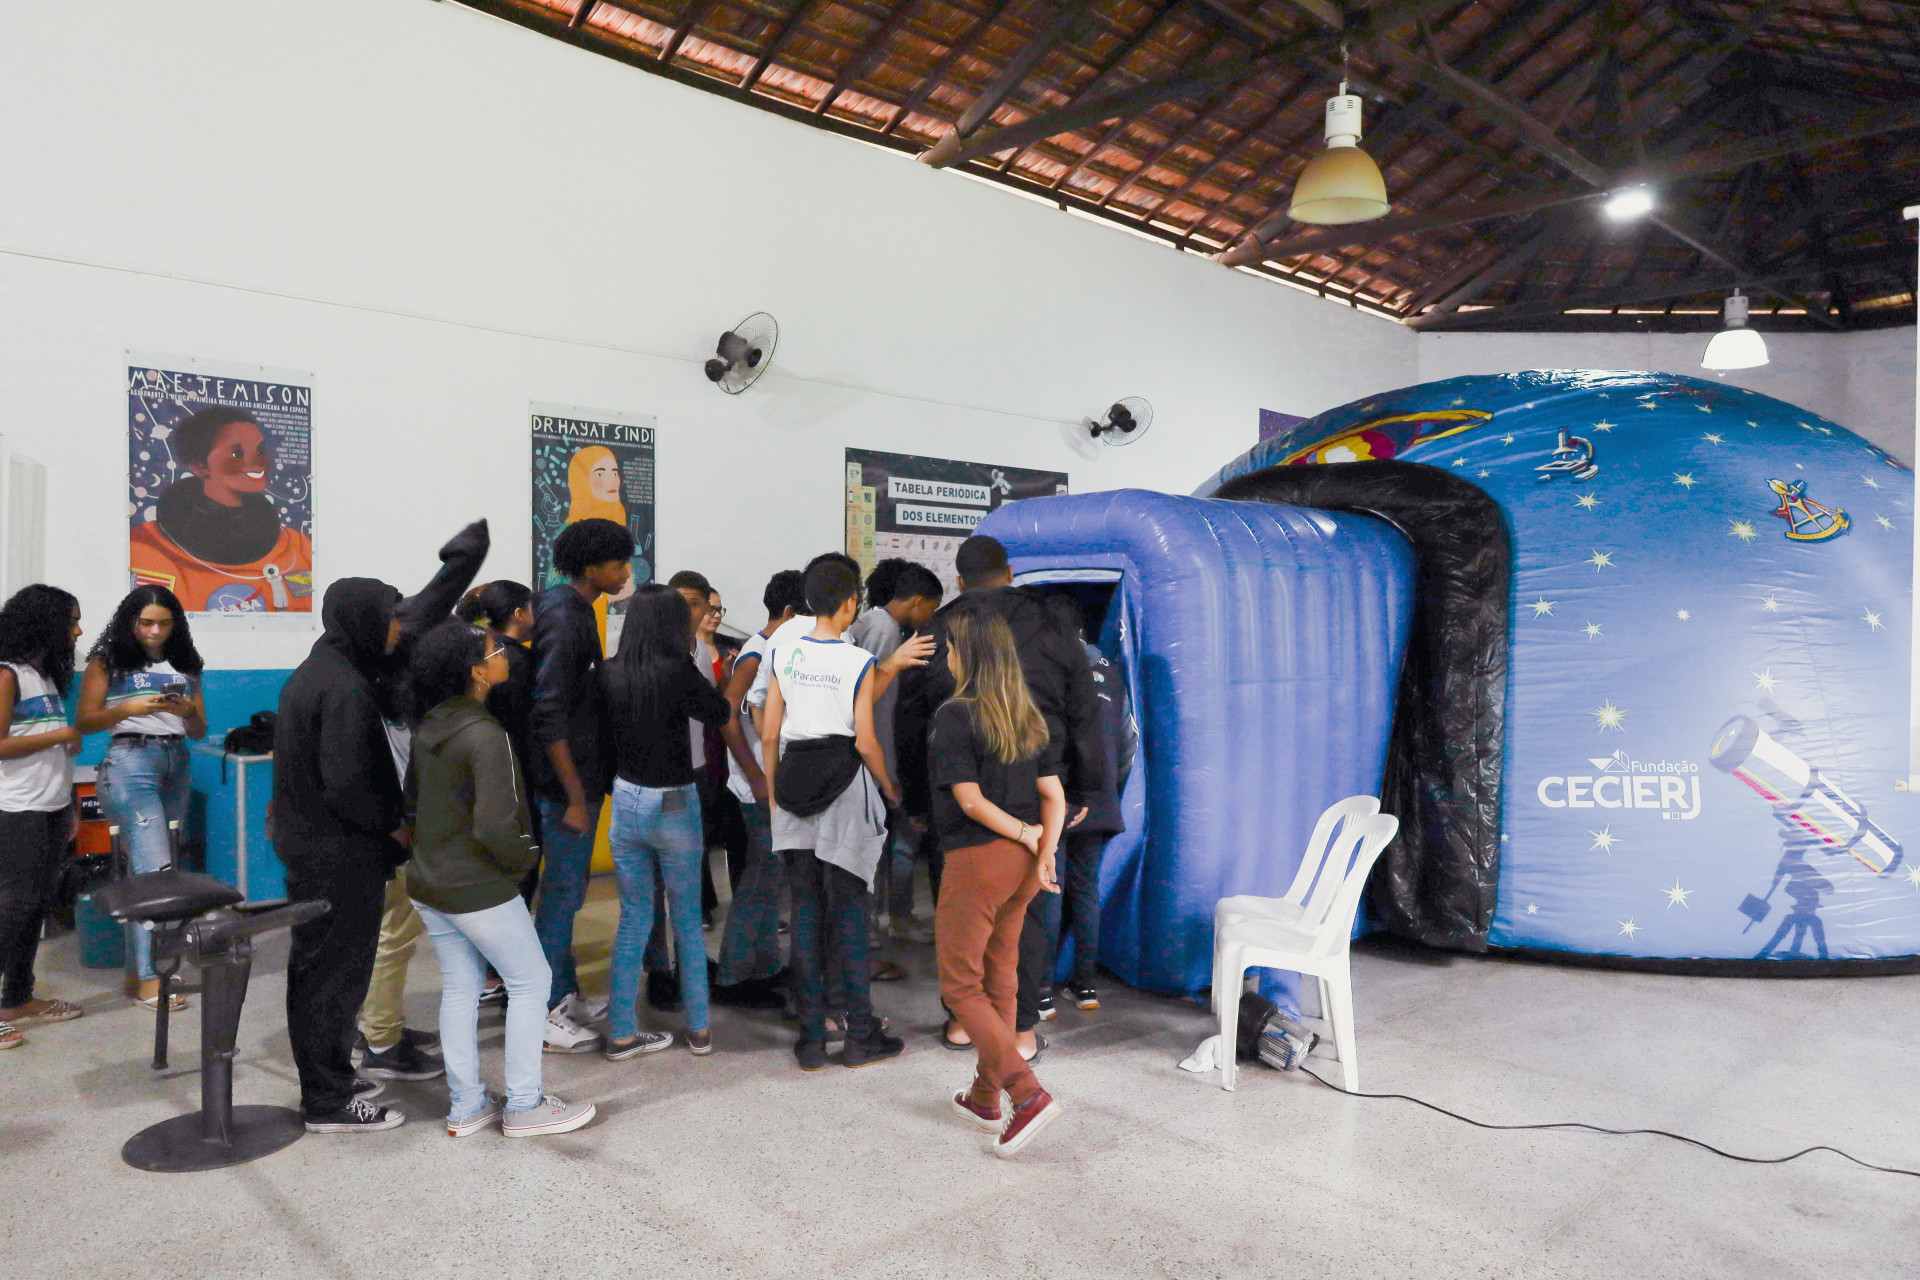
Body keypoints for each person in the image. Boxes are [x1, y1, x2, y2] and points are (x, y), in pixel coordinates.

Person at [894, 535, 1106, 1062]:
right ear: (1010, 573)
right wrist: (1085, 789)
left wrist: (916, 802)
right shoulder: (1052, 623)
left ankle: (965, 1025)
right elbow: (1084, 708)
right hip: (1035, 790)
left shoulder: (938, 627)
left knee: (963, 920)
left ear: (959, 581)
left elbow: (909, 719)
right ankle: (1020, 1031)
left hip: (960, 800)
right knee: (1023, 914)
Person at [406, 620, 596, 1138]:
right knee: (532, 981)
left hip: (430, 883)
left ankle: (467, 1107)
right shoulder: (486, 736)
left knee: (461, 986)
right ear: (477, 672)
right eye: (495, 650)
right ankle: (525, 1104)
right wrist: (522, 860)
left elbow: (413, 807)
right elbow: (495, 825)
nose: (505, 654)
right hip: (476, 886)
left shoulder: (430, 725)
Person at [761, 560, 918, 1071]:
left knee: (805, 912)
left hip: (791, 781)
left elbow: (768, 732)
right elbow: (866, 740)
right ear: (851, 603)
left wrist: (770, 793)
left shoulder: (783, 650)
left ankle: (810, 1039)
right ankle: (860, 1035)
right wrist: (891, 788)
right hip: (844, 785)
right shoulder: (857, 661)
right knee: (849, 913)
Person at [352, 520, 490, 1081]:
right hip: (395, 833)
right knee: (396, 932)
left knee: (397, 933)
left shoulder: (386, 697)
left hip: (398, 828)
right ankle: (380, 1040)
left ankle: (379, 1023)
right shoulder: (372, 705)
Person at [273, 577, 410, 1132]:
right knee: (334, 974)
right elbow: (350, 783)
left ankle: (330, 1073)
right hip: (340, 853)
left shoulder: (315, 672)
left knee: (319, 969)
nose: (397, 629)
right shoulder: (346, 687)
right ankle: (327, 1100)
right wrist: (394, 828)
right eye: (392, 617)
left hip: (312, 846)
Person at [931, 611, 1067, 1157]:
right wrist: (1041, 849)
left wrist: (1024, 834)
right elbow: (1054, 797)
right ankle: (986, 1097)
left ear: (968, 656)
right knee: (1001, 978)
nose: (947, 656)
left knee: (961, 986)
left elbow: (968, 800)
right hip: (1021, 869)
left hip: (977, 862)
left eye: (951, 648)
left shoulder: (954, 715)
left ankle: (1026, 1093)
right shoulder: (1026, 717)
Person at [601, 585, 731, 1058]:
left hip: (626, 800)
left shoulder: (609, 671)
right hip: (674, 802)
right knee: (687, 920)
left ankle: (620, 1032)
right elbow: (717, 714)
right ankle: (698, 1030)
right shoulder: (679, 670)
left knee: (634, 918)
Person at [77, 585, 208, 1011]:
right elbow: (85, 720)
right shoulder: (107, 661)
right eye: (146, 622)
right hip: (130, 761)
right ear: (130, 622)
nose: (155, 631)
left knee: (161, 869)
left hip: (177, 760)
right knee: (152, 871)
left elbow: (200, 730)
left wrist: (188, 712)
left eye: (164, 623)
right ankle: (149, 979)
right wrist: (127, 709)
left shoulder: (186, 662)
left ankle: (142, 969)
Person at [529, 517, 633, 1052]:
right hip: (564, 786)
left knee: (566, 893)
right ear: (591, 566)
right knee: (563, 895)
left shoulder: (565, 606)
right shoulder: (566, 619)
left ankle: (563, 991)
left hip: (579, 778)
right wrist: (573, 796)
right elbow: (548, 714)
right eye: (618, 563)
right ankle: (546, 1011)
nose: (625, 572)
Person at [1032, 593, 1134, 1012]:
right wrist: (1109, 785)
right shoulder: (1112, 670)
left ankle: (1040, 994)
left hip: (1061, 800)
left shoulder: (1047, 668)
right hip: (1102, 797)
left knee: (1048, 892)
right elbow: (1128, 740)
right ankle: (1086, 987)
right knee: (1085, 891)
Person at [711, 569, 804, 1002]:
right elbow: (726, 714)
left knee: (769, 883)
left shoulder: (777, 648)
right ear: (788, 612)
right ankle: (732, 975)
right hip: (757, 791)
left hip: (774, 785)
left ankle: (764, 966)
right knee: (758, 882)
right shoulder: (756, 652)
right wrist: (756, 777)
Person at [0, 586, 86, 1051]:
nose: (77, 631)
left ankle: (17, 997)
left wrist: (70, 805)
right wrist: (62, 733)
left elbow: (51, 745)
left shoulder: (46, 678)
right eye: (71, 621)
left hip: (51, 806)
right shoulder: (7, 674)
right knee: (13, 907)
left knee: (35, 906)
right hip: (16, 809)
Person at [130, 406, 313, 613]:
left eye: (260, 450)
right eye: (237, 453)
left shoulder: (297, 545)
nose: (259, 462)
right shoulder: (147, 548)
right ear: (200, 468)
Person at [848, 563, 944, 944]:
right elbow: (870, 697)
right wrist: (886, 769)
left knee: (891, 841)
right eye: (932, 610)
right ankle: (875, 928)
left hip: (880, 749)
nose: (931, 619)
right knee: (881, 844)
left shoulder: (876, 624)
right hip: (877, 752)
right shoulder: (886, 630)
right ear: (918, 602)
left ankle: (890, 919)